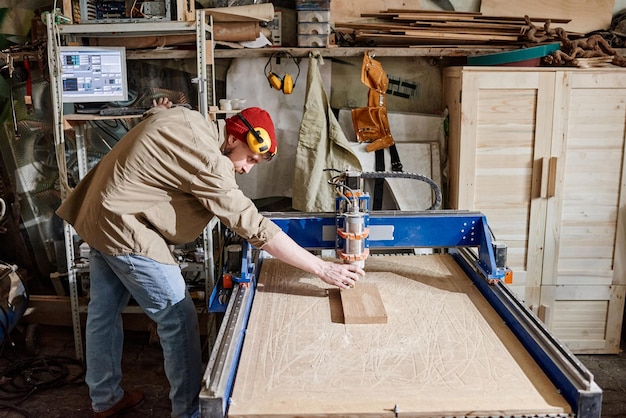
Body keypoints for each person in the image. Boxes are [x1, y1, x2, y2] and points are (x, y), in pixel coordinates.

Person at [55, 97, 364, 418]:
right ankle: (189, 413)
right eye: (249, 159)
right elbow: (252, 225)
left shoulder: (186, 117)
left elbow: (155, 112)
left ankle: (104, 399)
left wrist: (163, 106)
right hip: (124, 226)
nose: (245, 168)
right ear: (232, 138)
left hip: (99, 212)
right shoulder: (209, 161)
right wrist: (321, 267)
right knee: (178, 318)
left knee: (103, 312)